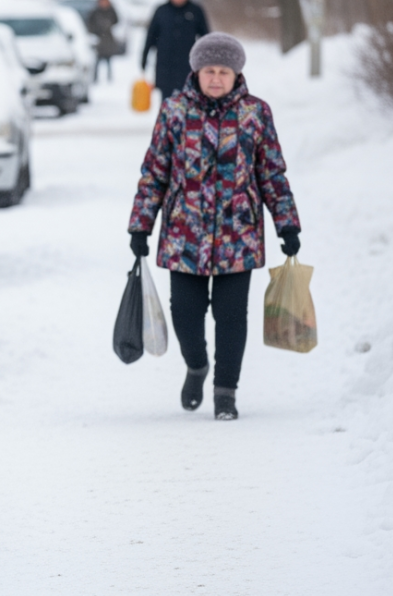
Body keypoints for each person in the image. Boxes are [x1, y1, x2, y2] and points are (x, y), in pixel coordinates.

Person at [126, 33, 302, 421]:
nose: (217, 78)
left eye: (224, 71)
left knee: (231, 316)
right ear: (197, 72)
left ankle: (226, 393)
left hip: (238, 235)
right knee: (185, 314)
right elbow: (154, 172)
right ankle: (197, 365)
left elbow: (272, 173)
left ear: (236, 74)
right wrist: (141, 226)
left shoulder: (255, 113)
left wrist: (286, 224)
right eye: (210, 71)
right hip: (184, 235)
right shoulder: (174, 111)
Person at [141, 0, 210, 100]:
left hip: (188, 65)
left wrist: (208, 59)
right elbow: (151, 37)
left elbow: (206, 38)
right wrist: (144, 57)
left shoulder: (195, 11)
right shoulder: (161, 11)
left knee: (188, 101)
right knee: (167, 102)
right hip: (165, 66)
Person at [86, 0, 120, 83]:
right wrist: (95, 31)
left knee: (109, 61)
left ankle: (109, 79)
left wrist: (108, 25)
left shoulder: (111, 10)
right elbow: (90, 24)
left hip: (108, 40)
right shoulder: (95, 12)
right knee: (97, 61)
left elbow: (116, 21)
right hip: (99, 40)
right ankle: (95, 79)